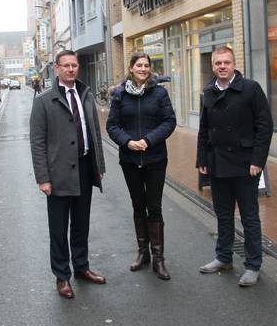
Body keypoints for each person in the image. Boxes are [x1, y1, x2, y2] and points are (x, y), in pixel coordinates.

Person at [29, 50, 107, 299]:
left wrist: (99, 167)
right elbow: (37, 142)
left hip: (84, 168)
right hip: (58, 173)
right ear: (57, 68)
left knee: (81, 224)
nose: (71, 69)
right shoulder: (43, 100)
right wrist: (43, 178)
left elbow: (94, 132)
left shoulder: (85, 94)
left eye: (74, 65)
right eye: (66, 65)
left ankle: (81, 267)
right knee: (59, 228)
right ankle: (62, 276)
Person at [196, 46, 273, 287]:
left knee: (249, 217)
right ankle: (223, 257)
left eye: (226, 62)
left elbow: (265, 126)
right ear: (213, 65)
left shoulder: (251, 89)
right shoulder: (208, 91)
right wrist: (201, 160)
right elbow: (204, 129)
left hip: (244, 165)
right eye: (218, 63)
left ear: (234, 64)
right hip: (217, 164)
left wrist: (257, 161)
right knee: (223, 214)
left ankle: (252, 265)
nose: (222, 66)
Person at [106, 52, 176, 280]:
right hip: (130, 160)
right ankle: (142, 253)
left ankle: (159, 259)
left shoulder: (159, 93)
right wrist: (128, 141)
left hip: (155, 159)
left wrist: (148, 140)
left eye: (146, 65)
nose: (143, 69)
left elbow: (169, 122)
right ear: (131, 68)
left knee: (154, 207)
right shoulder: (120, 95)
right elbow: (112, 125)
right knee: (138, 206)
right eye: (139, 65)